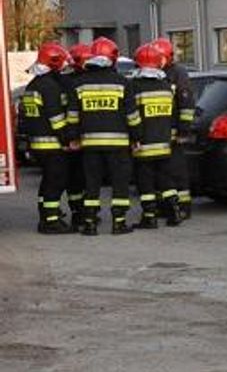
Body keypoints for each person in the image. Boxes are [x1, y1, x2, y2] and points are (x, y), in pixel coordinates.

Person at [69, 36, 141, 236]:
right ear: (113, 58)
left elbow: (73, 116)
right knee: (120, 184)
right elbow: (132, 116)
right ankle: (118, 223)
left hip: (90, 145)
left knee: (91, 184)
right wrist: (136, 137)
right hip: (118, 145)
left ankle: (90, 223)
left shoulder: (79, 84)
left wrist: (73, 138)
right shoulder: (122, 83)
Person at [20, 42, 74, 233]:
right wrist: (67, 140)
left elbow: (24, 119)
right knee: (56, 181)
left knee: (47, 181)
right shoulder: (50, 87)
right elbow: (57, 119)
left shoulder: (32, 85)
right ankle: (51, 221)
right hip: (52, 145)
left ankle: (46, 214)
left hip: (37, 144)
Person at [130, 44, 182, 229]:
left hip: (143, 145)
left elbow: (132, 117)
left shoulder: (135, 87)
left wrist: (133, 139)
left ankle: (149, 217)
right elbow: (173, 116)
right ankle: (175, 211)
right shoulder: (167, 87)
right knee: (165, 179)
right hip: (164, 144)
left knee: (146, 183)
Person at [152, 37, 196, 221]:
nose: (156, 61)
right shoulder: (153, 73)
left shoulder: (178, 73)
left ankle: (183, 206)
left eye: (159, 57)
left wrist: (183, 131)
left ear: (168, 56)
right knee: (160, 172)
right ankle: (165, 207)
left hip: (174, 133)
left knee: (177, 171)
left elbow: (185, 105)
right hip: (158, 134)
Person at [63, 43, 92, 231]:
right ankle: (86, 215)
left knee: (74, 180)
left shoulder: (64, 81)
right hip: (85, 137)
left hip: (71, 138)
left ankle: (78, 214)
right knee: (86, 178)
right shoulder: (88, 81)